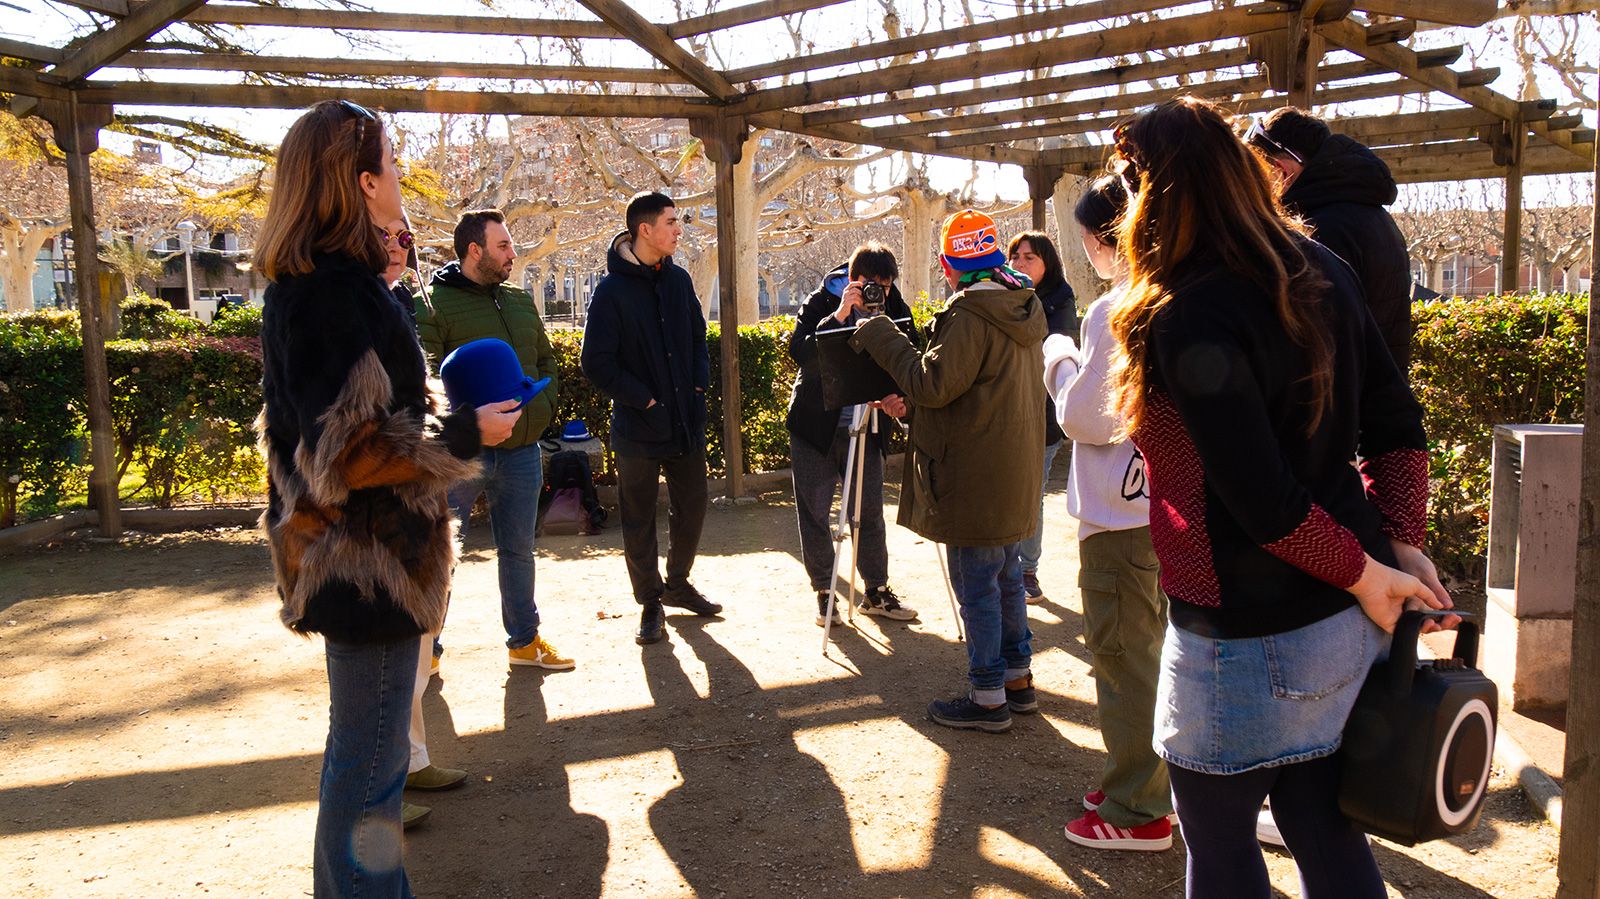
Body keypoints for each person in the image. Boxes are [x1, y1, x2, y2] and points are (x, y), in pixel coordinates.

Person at [1106, 97, 1454, 898]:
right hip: (1343, 622)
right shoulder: (1321, 266)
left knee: (1221, 850)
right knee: (1328, 834)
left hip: (1241, 636)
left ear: (1151, 192)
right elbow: (1399, 422)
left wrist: (1377, 571)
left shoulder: (1184, 309)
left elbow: (1262, 499)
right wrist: (1394, 542)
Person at [256, 99, 520, 897]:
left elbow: (360, 414)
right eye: (394, 166)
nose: (403, 180)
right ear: (363, 182)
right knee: (369, 772)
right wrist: (467, 436)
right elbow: (350, 450)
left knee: (360, 760)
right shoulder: (333, 293)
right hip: (365, 562)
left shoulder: (329, 284)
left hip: (353, 556)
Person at [848, 209, 1046, 733]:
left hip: (974, 472)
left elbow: (934, 384)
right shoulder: (1021, 302)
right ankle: (1017, 682)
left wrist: (880, 332)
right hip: (1012, 468)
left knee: (978, 583)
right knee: (1006, 578)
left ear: (946, 264)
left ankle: (986, 697)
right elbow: (971, 390)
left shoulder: (971, 312)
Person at [1042, 176, 1173, 851]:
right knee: (1155, 651)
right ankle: (1148, 780)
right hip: (1164, 509)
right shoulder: (1181, 294)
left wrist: (1058, 362)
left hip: (1116, 516)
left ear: (1105, 239)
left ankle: (1137, 806)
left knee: (1124, 660)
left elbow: (1085, 418)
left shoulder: (1112, 311)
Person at [415, 209, 570, 671]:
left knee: (520, 550)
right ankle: (428, 651)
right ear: (474, 250)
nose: (512, 253)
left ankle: (524, 642)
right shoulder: (432, 303)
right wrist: (467, 426)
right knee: (440, 554)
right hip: (461, 456)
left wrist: (536, 413)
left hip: (522, 451)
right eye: (503, 246)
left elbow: (546, 362)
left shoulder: (520, 301)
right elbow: (420, 382)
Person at [581, 192, 721, 645]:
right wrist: (644, 401)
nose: (679, 229)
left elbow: (700, 339)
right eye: (671, 221)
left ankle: (678, 583)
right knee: (638, 517)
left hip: (685, 420)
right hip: (638, 428)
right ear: (646, 230)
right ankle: (650, 603)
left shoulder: (679, 281)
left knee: (694, 505)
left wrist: (698, 386)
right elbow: (595, 362)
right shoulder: (611, 291)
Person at [377, 218, 469, 825]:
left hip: (415, 512)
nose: (398, 246)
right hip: (372, 526)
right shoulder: (343, 310)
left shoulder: (398, 306)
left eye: (406, 238)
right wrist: (462, 435)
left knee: (413, 650)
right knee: (377, 669)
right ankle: (379, 793)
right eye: (387, 235)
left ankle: (411, 762)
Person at [785, 242, 918, 628]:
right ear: (852, 279)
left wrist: (899, 395)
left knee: (870, 512)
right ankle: (825, 591)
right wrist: (840, 313)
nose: (879, 292)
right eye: (870, 284)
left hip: (868, 425)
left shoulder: (894, 308)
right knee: (813, 512)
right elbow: (800, 352)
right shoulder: (822, 301)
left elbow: (912, 358)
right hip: (816, 425)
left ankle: (876, 591)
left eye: (887, 285)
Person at [1244, 107, 1414, 375]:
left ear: (1281, 170)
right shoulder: (1370, 214)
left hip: (1345, 401)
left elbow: (1316, 341)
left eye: (1258, 173)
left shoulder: (1319, 229)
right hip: (1379, 395)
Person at [1006, 231, 1077, 604]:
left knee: (1032, 495)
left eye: (1029, 257)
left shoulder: (1060, 299)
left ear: (1048, 263)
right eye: (1015, 256)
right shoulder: (1003, 294)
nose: (1019, 263)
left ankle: (1027, 570)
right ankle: (1008, 568)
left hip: (1043, 416)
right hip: (1005, 411)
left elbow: (1052, 348)